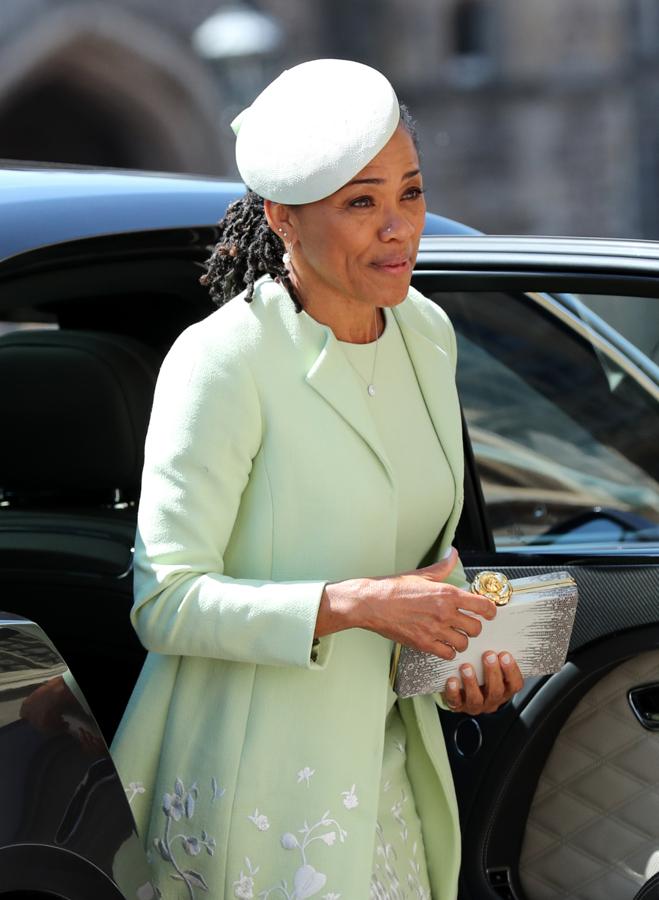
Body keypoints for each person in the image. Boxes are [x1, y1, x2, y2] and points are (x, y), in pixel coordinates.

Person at [111, 58, 523, 900]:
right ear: (283, 219)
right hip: (256, 788)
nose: (399, 227)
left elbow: (427, 561)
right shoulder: (224, 360)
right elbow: (165, 601)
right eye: (361, 202)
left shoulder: (427, 334)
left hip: (391, 781)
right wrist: (353, 604)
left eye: (410, 193)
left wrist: (466, 655)